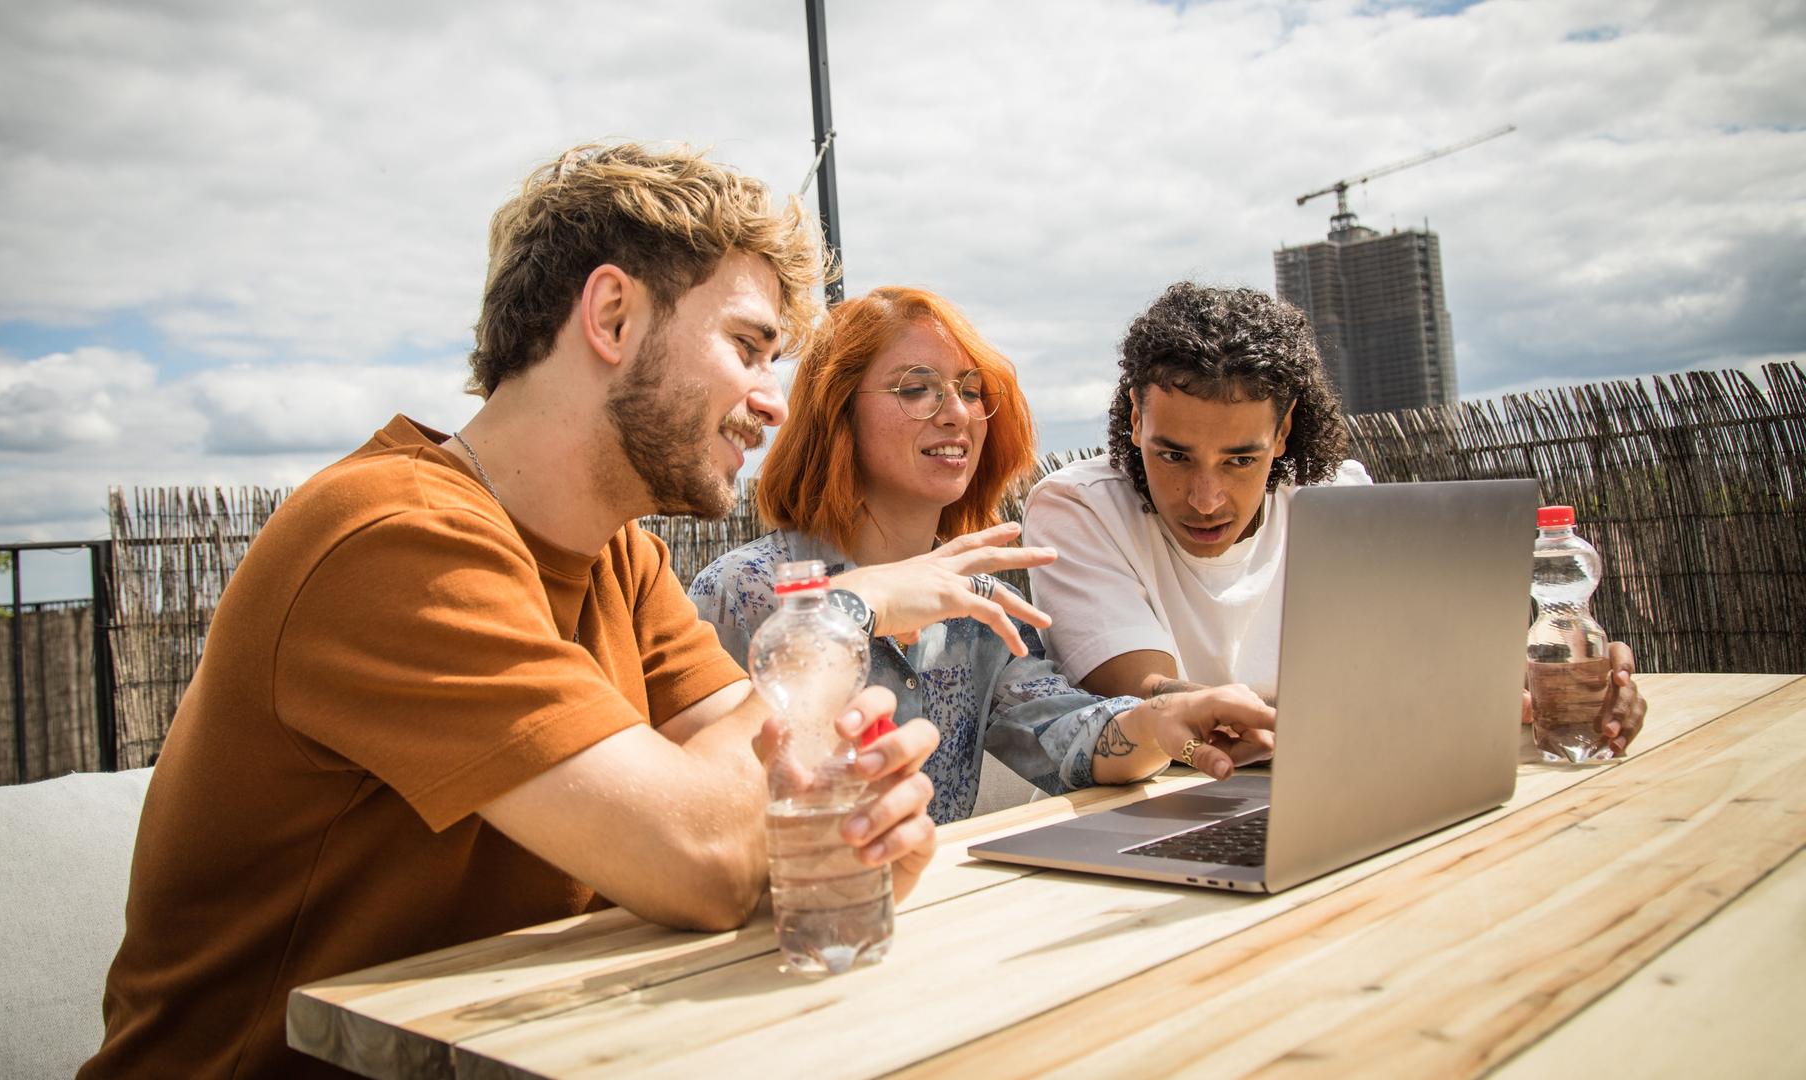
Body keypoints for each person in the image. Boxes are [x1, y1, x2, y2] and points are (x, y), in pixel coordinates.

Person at [81, 144, 951, 1079]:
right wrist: (838, 616)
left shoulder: (620, 556)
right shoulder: (388, 540)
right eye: (747, 346)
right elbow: (702, 851)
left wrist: (841, 834)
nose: (773, 404)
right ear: (611, 315)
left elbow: (760, 804)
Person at [690, 287, 1278, 818]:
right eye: (916, 389)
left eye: (971, 391)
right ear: (836, 411)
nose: (957, 413)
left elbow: (1062, 733)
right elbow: (696, 796)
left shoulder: (979, 607)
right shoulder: (746, 592)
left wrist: (1162, 722)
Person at [1022, 281, 1646, 760]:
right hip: (1147, 813)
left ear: (1285, 429)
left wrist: (1562, 678)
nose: (1206, 498)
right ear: (1135, 420)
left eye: (1241, 459)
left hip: (1337, 783)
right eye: (1174, 455)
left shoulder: (1336, 497)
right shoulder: (1077, 508)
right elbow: (1149, 700)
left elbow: (1435, 656)